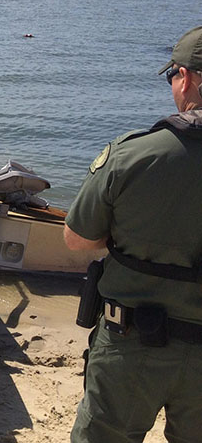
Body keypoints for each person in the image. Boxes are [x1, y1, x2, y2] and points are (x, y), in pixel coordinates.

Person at [64, 25, 202, 443]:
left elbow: (77, 240)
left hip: (134, 345)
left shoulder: (134, 154)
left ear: (188, 78)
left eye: (173, 75)